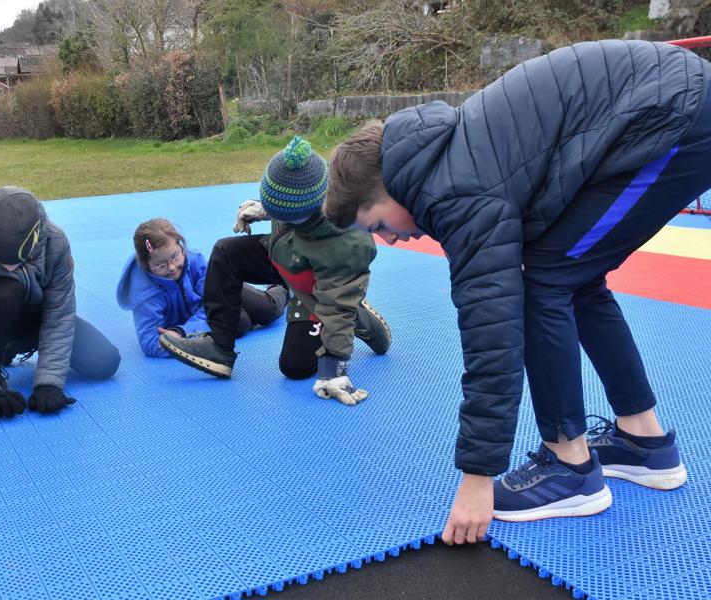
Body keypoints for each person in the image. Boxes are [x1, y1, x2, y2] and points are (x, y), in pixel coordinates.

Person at [323, 39, 708, 543]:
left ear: (389, 187)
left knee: (545, 282)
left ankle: (568, 467)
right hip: (664, 103)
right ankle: (644, 441)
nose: (390, 239)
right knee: (574, 277)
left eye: (377, 224)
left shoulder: (454, 190)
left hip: (673, 115)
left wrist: (478, 477)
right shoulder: (440, 154)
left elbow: (492, 337)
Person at [159, 137, 392, 405]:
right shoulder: (301, 194)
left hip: (320, 288)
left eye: (282, 213)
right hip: (286, 255)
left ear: (313, 209)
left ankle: (359, 316)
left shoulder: (346, 246)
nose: (276, 214)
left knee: (294, 367)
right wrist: (264, 210)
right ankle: (219, 349)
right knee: (226, 253)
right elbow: (287, 207)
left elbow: (336, 309)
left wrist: (334, 370)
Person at [0, 186, 121, 419]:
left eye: (23, 260)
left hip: (34, 320)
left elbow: (59, 315)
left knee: (104, 362)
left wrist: (49, 382)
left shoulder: (55, 242)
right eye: (1, 263)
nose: (12, 269)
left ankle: (14, 347)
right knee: (5, 291)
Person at [116, 218, 288, 358]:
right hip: (201, 317)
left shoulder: (196, 262)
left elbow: (212, 302)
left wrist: (181, 333)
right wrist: (178, 338)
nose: (171, 268)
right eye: (160, 265)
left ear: (181, 247)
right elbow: (150, 344)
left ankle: (285, 284)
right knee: (240, 323)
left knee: (268, 310)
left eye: (175, 257)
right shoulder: (143, 293)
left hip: (217, 297)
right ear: (145, 265)